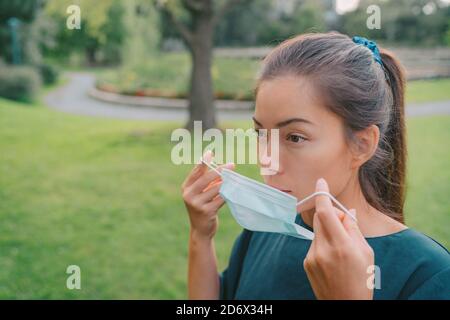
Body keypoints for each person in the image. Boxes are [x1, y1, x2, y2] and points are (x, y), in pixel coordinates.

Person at [181, 32, 450, 299]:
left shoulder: (428, 275)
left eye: (295, 137)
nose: (267, 160)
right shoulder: (264, 231)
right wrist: (200, 237)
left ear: (362, 145)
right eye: (262, 133)